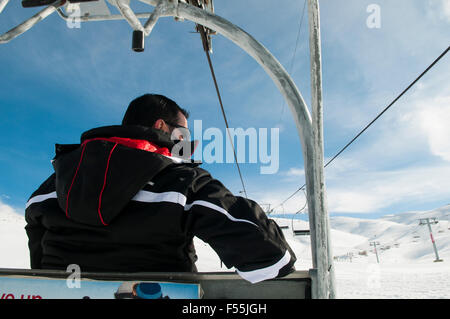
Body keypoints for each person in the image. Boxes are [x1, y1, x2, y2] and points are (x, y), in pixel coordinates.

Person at [25, 94, 296, 284]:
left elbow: (38, 269)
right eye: (185, 135)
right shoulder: (181, 182)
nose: (189, 143)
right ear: (161, 127)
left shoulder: (53, 185)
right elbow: (271, 257)